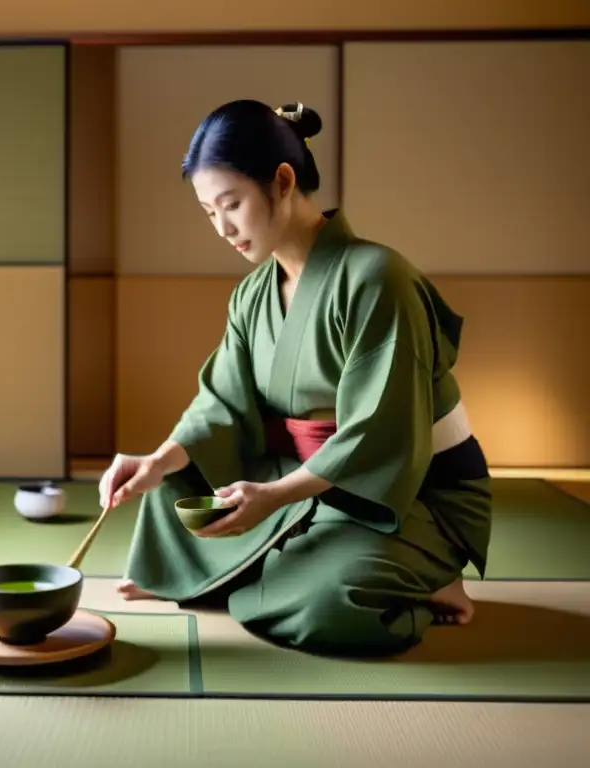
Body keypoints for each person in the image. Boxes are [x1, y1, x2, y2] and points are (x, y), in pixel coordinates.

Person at [98, 99, 493, 658]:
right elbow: (222, 404)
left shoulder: (379, 278)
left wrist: (275, 495)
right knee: (174, 491)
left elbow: (380, 433)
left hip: (407, 491)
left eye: (231, 204)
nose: (222, 228)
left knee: (331, 598)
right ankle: (276, 558)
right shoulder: (253, 293)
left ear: (282, 182)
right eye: (209, 213)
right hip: (306, 480)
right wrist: (157, 460)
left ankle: (428, 576)